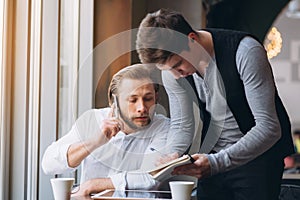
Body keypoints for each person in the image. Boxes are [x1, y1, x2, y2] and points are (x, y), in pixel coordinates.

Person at [136, 9, 295, 200]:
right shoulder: (172, 72)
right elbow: (182, 124)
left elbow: (269, 127)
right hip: (212, 162)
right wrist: (172, 155)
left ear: (192, 39)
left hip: (258, 161)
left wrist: (216, 162)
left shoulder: (246, 52)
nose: (176, 74)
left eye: (178, 64)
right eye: (168, 70)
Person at [42, 64, 170, 196]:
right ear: (114, 101)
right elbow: (49, 164)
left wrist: (92, 185)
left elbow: (152, 176)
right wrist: (93, 143)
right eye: (133, 100)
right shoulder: (92, 120)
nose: (142, 108)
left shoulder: (164, 127)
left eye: (148, 99)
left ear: (156, 98)